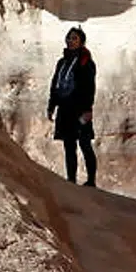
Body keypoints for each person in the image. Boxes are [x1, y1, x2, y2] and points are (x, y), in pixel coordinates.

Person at [48, 25, 97, 185]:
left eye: (74, 38)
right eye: (69, 37)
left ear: (81, 42)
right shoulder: (62, 62)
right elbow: (55, 83)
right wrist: (52, 105)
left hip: (80, 109)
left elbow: (90, 87)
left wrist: (88, 109)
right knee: (69, 145)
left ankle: (91, 180)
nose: (70, 41)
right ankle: (71, 180)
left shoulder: (86, 62)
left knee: (84, 144)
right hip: (65, 108)